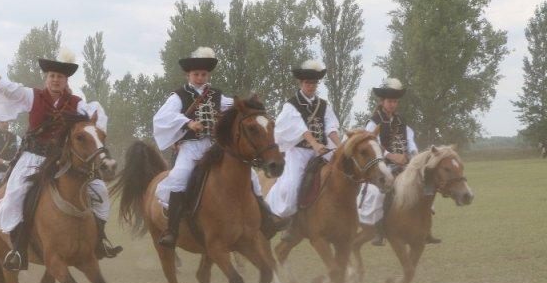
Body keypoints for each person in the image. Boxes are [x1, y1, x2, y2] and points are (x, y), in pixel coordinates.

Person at [0, 42, 122, 271]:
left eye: (60, 77)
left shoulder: (77, 104)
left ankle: (99, 241)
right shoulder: (31, 96)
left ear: (67, 81)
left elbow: (92, 126)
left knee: (101, 192)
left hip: (64, 160)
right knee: (14, 198)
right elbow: (3, 84)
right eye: (52, 76)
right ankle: (17, 248)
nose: (56, 80)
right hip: (33, 158)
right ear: (47, 78)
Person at [152, 46, 276, 248]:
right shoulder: (178, 96)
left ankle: (266, 219)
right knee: (179, 177)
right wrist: (187, 122)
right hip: (191, 147)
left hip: (214, 146)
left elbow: (236, 107)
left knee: (251, 175)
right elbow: (162, 117)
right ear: (188, 75)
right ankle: (172, 230)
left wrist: (251, 103)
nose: (200, 77)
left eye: (203, 74)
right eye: (196, 74)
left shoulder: (217, 95)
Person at [265, 60, 341, 240]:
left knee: (343, 173)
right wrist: (315, 144)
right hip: (299, 152)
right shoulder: (291, 105)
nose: (311, 86)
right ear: (301, 83)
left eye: (314, 83)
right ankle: (291, 222)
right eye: (308, 83)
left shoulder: (324, 105)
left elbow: (331, 128)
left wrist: (342, 146)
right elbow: (300, 129)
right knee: (292, 187)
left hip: (323, 150)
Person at [358, 78, 439, 245]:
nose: (393, 105)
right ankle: (379, 232)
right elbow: (371, 145)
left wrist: (414, 157)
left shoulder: (402, 120)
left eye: (395, 101)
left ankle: (426, 229)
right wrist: (391, 156)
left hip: (405, 164)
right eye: (390, 101)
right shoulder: (373, 121)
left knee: (426, 185)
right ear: (382, 101)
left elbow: (410, 141)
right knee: (383, 192)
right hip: (382, 165)